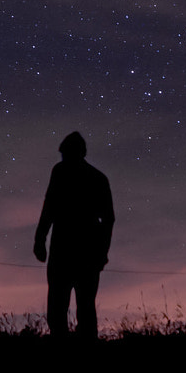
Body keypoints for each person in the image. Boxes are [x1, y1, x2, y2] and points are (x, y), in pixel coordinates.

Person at [33, 131, 115, 339]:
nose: (65, 159)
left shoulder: (90, 177)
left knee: (77, 306)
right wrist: (40, 239)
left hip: (76, 250)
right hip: (71, 249)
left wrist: (40, 239)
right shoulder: (77, 175)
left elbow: (108, 219)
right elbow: (49, 207)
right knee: (66, 306)